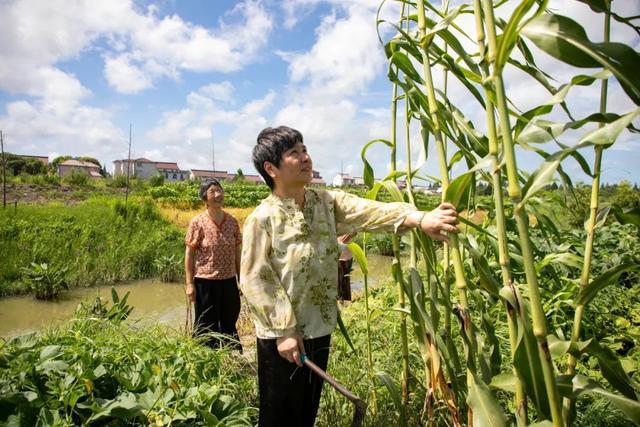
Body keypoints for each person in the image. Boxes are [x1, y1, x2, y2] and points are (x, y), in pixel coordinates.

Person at [240, 126, 458, 427]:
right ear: (271, 168)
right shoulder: (262, 218)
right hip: (283, 338)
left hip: (319, 326)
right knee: (280, 417)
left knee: (305, 413)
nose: (306, 157)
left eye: (305, 149)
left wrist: (420, 218)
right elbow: (255, 278)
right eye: (294, 153)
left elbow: (369, 212)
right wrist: (285, 331)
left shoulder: (325, 202)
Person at [184, 178, 242, 351]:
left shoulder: (232, 221)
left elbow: (238, 252)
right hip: (205, 282)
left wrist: (241, 279)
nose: (218, 195)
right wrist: (189, 284)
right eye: (212, 192)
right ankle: (205, 359)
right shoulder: (198, 222)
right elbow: (189, 254)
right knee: (205, 323)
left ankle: (230, 356)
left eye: (220, 191)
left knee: (229, 319)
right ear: (205, 198)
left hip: (229, 281)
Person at [337, 233, 355, 301]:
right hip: (336, 254)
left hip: (346, 256)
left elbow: (355, 231)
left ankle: (345, 300)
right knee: (337, 279)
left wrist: (350, 234)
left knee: (345, 278)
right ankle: (339, 299)